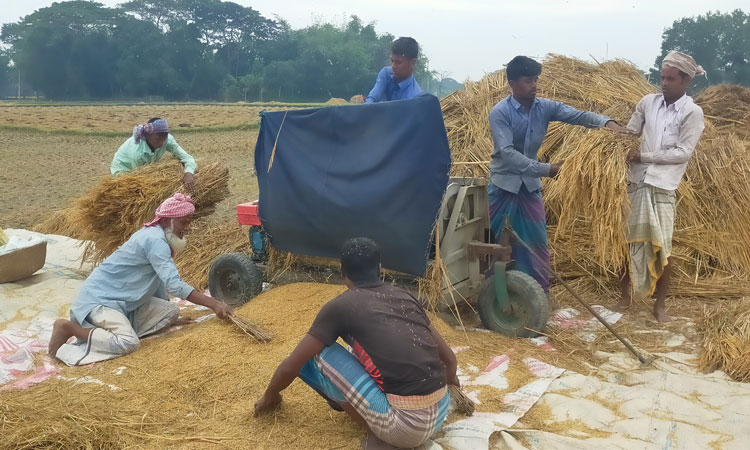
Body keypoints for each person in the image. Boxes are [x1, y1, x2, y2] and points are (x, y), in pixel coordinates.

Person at [254, 237, 458, 450]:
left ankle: (378, 435)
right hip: (441, 411)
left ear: (343, 272)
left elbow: (291, 366)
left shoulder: (341, 306)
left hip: (406, 429)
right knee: (359, 349)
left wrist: (269, 397)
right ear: (380, 268)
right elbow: (450, 361)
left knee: (317, 355)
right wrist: (452, 384)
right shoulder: (404, 296)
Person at [488, 55, 632, 295]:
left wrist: (608, 124)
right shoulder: (500, 113)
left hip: (529, 187)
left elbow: (579, 115)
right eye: (527, 80)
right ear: (512, 83)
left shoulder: (544, 107)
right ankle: (495, 295)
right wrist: (549, 169)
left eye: (535, 80)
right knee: (499, 243)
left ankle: (538, 295)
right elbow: (508, 153)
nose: (534, 85)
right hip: (504, 186)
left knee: (537, 243)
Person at [48, 193, 233, 365]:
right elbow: (174, 285)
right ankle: (69, 329)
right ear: (169, 220)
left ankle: (115, 331)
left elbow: (158, 280)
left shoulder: (158, 237)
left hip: (123, 302)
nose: (187, 228)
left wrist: (163, 319)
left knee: (170, 312)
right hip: (100, 301)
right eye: (184, 222)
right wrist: (214, 304)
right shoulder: (155, 241)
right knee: (129, 343)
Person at [613, 51, 706, 322]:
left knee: (661, 248)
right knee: (625, 242)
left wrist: (644, 156)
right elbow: (631, 133)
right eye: (662, 78)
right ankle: (624, 296)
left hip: (663, 187)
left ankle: (660, 306)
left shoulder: (692, 112)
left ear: (686, 80)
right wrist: (610, 132)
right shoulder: (647, 102)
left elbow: (682, 153)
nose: (664, 83)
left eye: (670, 79)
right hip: (636, 181)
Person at [111, 118, 198, 193]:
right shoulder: (137, 152)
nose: (162, 143)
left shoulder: (167, 139)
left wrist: (188, 172)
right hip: (124, 171)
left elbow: (186, 157)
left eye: (164, 139)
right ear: (148, 135)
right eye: (158, 139)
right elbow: (139, 179)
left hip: (144, 169)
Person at [365, 37, 422, 103]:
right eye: (392, 61)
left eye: (398, 62)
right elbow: (372, 98)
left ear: (412, 62)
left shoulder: (414, 97)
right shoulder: (386, 73)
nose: (393, 66)